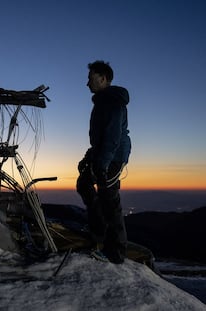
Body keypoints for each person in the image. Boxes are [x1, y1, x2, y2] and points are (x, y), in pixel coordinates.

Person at [76, 60, 131, 264]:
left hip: (113, 156)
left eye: (90, 78)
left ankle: (115, 253)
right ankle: (98, 232)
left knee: (109, 198)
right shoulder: (102, 101)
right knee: (84, 184)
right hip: (103, 153)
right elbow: (100, 138)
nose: (87, 83)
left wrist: (102, 163)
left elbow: (113, 137)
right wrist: (89, 157)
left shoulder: (112, 102)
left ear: (103, 78)